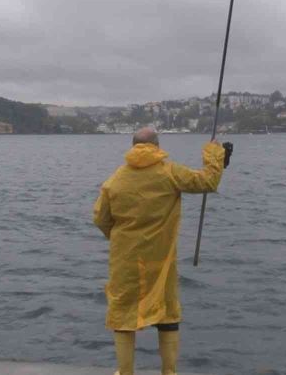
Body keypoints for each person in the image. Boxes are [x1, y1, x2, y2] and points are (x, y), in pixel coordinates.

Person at [93, 127, 227, 375]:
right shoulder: (169, 172)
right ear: (157, 146)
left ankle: (125, 372)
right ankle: (169, 372)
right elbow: (208, 181)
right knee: (167, 313)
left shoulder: (115, 181)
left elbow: (101, 219)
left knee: (123, 314)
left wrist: (121, 238)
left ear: (132, 146)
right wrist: (214, 153)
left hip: (126, 258)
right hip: (161, 258)